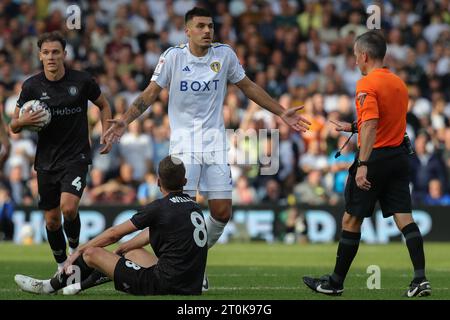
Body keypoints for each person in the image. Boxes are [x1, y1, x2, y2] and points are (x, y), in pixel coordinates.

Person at [104, 7, 310, 290]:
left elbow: (248, 87)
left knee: (222, 212)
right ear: (187, 30)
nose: (207, 31)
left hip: (215, 144)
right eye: (200, 26)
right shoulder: (173, 57)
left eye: (210, 26)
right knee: (178, 217)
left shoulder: (224, 55)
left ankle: (189, 262)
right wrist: (125, 121)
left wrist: (281, 112)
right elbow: (150, 93)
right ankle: (181, 269)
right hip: (184, 147)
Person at [303, 31, 431, 297]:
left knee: (351, 219)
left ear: (364, 55)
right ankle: (420, 279)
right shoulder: (398, 83)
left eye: (355, 56)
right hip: (399, 156)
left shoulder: (366, 84)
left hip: (375, 158)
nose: (355, 62)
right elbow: (385, 121)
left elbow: (372, 125)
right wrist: (352, 126)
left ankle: (335, 283)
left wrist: (362, 163)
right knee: (405, 218)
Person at [14, 156, 208, 296]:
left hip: (163, 284)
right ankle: (78, 286)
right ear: (184, 181)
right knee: (131, 252)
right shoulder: (194, 206)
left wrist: (79, 250)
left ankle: (49, 286)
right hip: (191, 285)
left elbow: (114, 234)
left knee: (92, 253)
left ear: (158, 182)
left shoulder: (158, 208)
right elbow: (153, 233)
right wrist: (123, 249)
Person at [10, 31, 112, 273]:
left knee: (68, 207)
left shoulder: (82, 81)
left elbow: (104, 105)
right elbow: (12, 126)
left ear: (64, 54)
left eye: (56, 52)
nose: (51, 57)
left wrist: (106, 132)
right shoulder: (31, 86)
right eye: (46, 52)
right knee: (52, 220)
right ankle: (61, 265)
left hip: (76, 156)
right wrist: (23, 120)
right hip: (46, 161)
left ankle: (75, 251)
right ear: (40, 55)